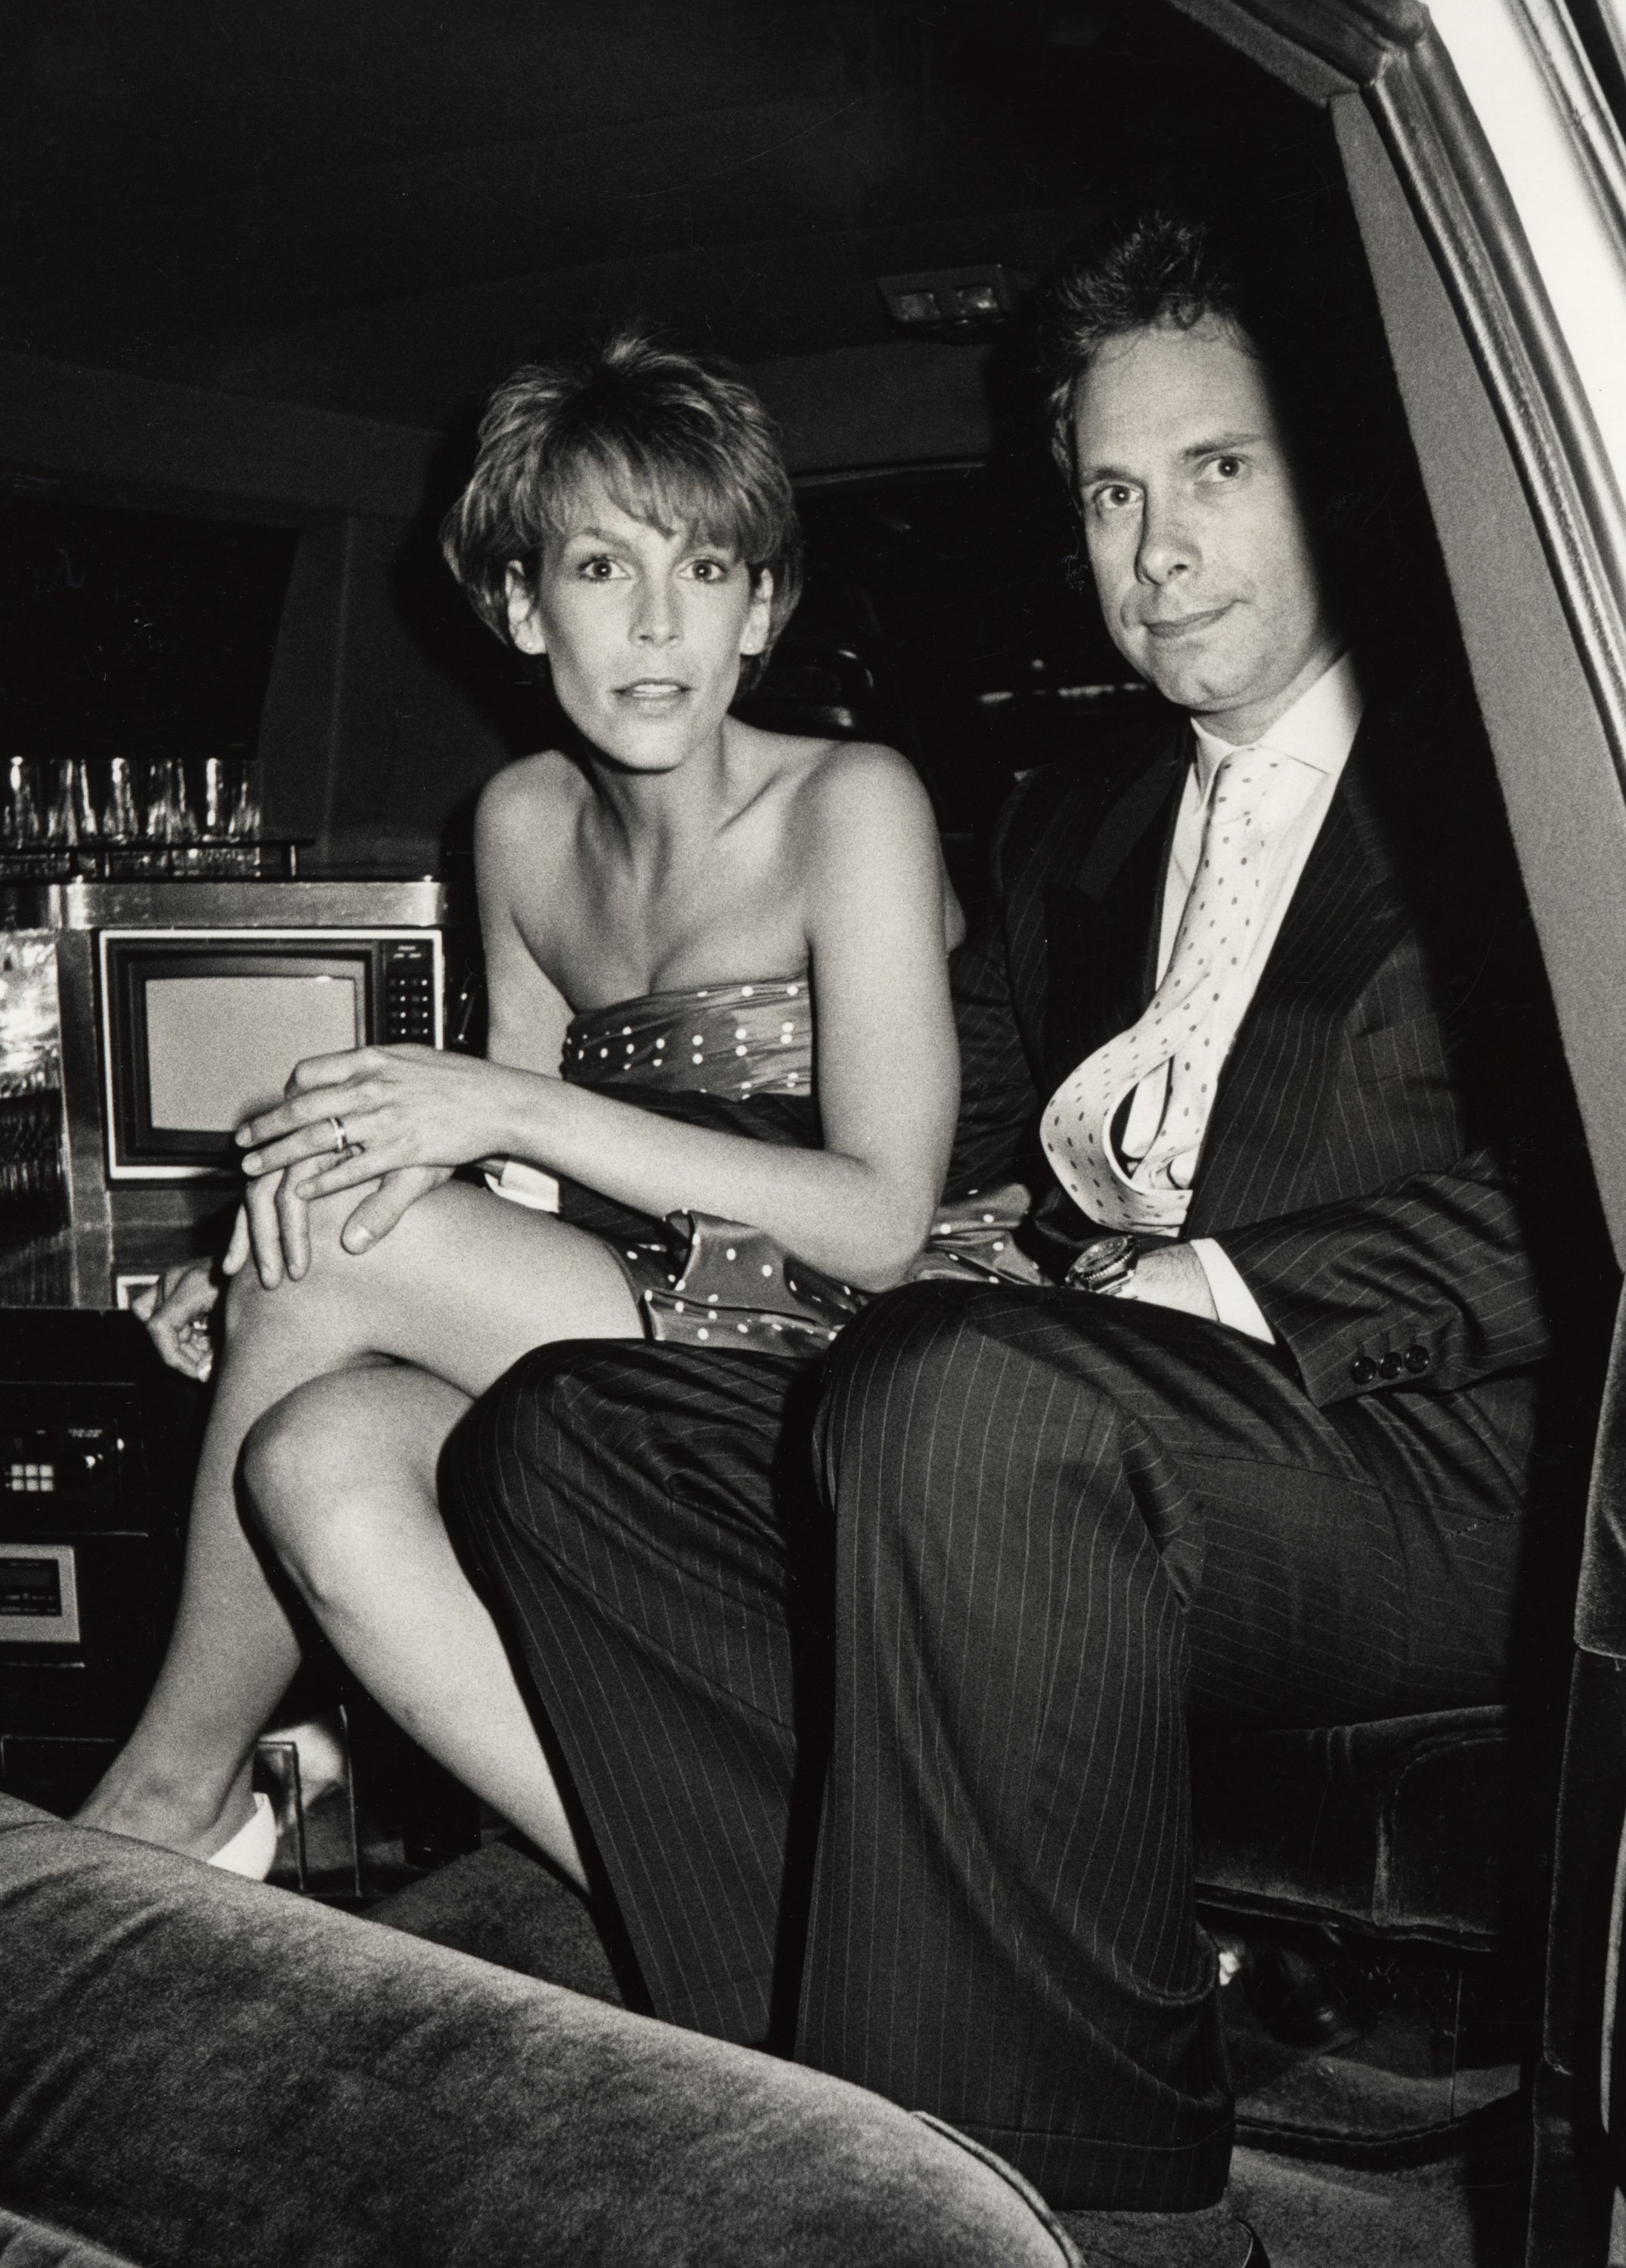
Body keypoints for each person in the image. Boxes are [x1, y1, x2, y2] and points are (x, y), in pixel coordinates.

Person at [439, 209, 1601, 2254]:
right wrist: (986, 1225)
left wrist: (1217, 1283)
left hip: (1447, 1458)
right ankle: (824, 2085)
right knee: (573, 1436)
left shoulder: (1522, 782)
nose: (1158, 548)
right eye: (1112, 494)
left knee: (963, 1410)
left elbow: (1580, 1188)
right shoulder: (1077, 822)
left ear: (1340, 479)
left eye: (1220, 473)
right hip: (1108, 1410)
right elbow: (977, 1133)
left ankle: (1102, 2221)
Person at [74, 331, 965, 1876]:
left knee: (348, 1241)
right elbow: (533, 1215)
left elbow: (880, 1221)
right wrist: (260, 1285)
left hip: (848, 1347)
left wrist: (485, 1123)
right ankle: (684, 1891)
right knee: (315, 1459)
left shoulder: (850, 801)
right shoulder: (521, 821)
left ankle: (167, 1795)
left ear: (762, 606)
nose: (658, 626)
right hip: (629, 1321)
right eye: (601, 569)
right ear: (514, 601)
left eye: (704, 571)